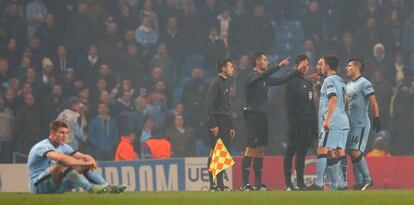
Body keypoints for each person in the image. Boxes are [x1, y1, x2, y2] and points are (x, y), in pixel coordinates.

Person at [240, 52, 305, 192]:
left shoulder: (264, 79)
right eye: (264, 59)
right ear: (257, 61)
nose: (267, 62)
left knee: (261, 150)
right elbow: (263, 76)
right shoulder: (252, 77)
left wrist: (297, 71)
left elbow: (282, 81)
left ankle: (258, 184)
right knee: (251, 149)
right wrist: (278, 66)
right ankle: (245, 184)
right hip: (253, 116)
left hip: (263, 116)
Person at [27, 120, 126, 194]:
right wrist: (85, 163)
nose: (65, 136)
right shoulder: (42, 146)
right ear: (52, 133)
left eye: (66, 133)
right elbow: (60, 158)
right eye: (61, 132)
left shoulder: (63, 146)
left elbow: (84, 157)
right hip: (38, 187)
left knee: (82, 162)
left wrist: (90, 160)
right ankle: (90, 188)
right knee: (62, 164)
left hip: (56, 187)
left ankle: (106, 187)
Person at [308, 56, 349, 191]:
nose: (320, 67)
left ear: (328, 66)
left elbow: (333, 99)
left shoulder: (329, 80)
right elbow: (346, 100)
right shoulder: (341, 81)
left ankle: (319, 184)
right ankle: (339, 185)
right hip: (342, 119)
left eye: (322, 64)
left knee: (322, 149)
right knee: (331, 152)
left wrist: (328, 119)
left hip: (332, 120)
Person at [345, 58, 380, 190]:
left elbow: (373, 101)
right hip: (351, 123)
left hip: (361, 123)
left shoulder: (365, 83)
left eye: (349, 66)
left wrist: (376, 118)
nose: (346, 68)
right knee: (352, 152)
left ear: (356, 67)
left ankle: (367, 179)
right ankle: (359, 182)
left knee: (355, 151)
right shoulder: (348, 85)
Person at [283, 55, 318, 191]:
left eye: (308, 65)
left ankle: (300, 183)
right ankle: (287, 183)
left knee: (302, 152)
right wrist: (291, 124)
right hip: (295, 122)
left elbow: (311, 105)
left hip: (306, 123)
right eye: (304, 64)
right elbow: (288, 104)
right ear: (297, 65)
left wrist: (314, 123)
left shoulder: (309, 83)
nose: (306, 67)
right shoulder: (291, 81)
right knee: (290, 151)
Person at [206, 57, 236, 192]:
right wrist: (213, 124)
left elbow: (227, 107)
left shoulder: (225, 84)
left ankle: (219, 184)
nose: (232, 69)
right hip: (217, 122)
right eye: (230, 67)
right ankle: (214, 185)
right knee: (215, 152)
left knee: (220, 153)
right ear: (223, 68)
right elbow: (209, 105)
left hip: (224, 123)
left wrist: (231, 126)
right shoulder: (216, 84)